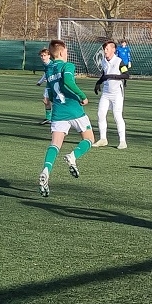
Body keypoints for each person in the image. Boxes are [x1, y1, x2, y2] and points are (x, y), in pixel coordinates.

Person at [38, 39, 94, 197]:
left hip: (58, 112)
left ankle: (46, 171)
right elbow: (68, 81)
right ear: (62, 52)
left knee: (55, 144)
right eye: (67, 51)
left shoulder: (49, 69)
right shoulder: (67, 66)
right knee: (89, 139)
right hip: (74, 109)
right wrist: (82, 96)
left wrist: (50, 105)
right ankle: (72, 156)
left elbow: (49, 94)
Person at [93, 39, 130, 149]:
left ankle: (122, 141)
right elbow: (104, 74)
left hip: (117, 93)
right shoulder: (104, 61)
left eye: (107, 49)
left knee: (117, 116)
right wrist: (98, 83)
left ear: (113, 50)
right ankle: (103, 139)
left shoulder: (119, 61)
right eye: (104, 49)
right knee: (100, 114)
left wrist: (112, 76)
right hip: (106, 92)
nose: (105, 51)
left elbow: (126, 75)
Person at [36, 47, 53, 124]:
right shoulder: (46, 64)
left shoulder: (52, 64)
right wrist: (40, 82)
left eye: (44, 55)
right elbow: (46, 74)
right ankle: (48, 118)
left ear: (49, 56)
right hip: (49, 85)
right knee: (46, 101)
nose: (43, 57)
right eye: (41, 56)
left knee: (56, 102)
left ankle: (56, 118)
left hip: (54, 86)